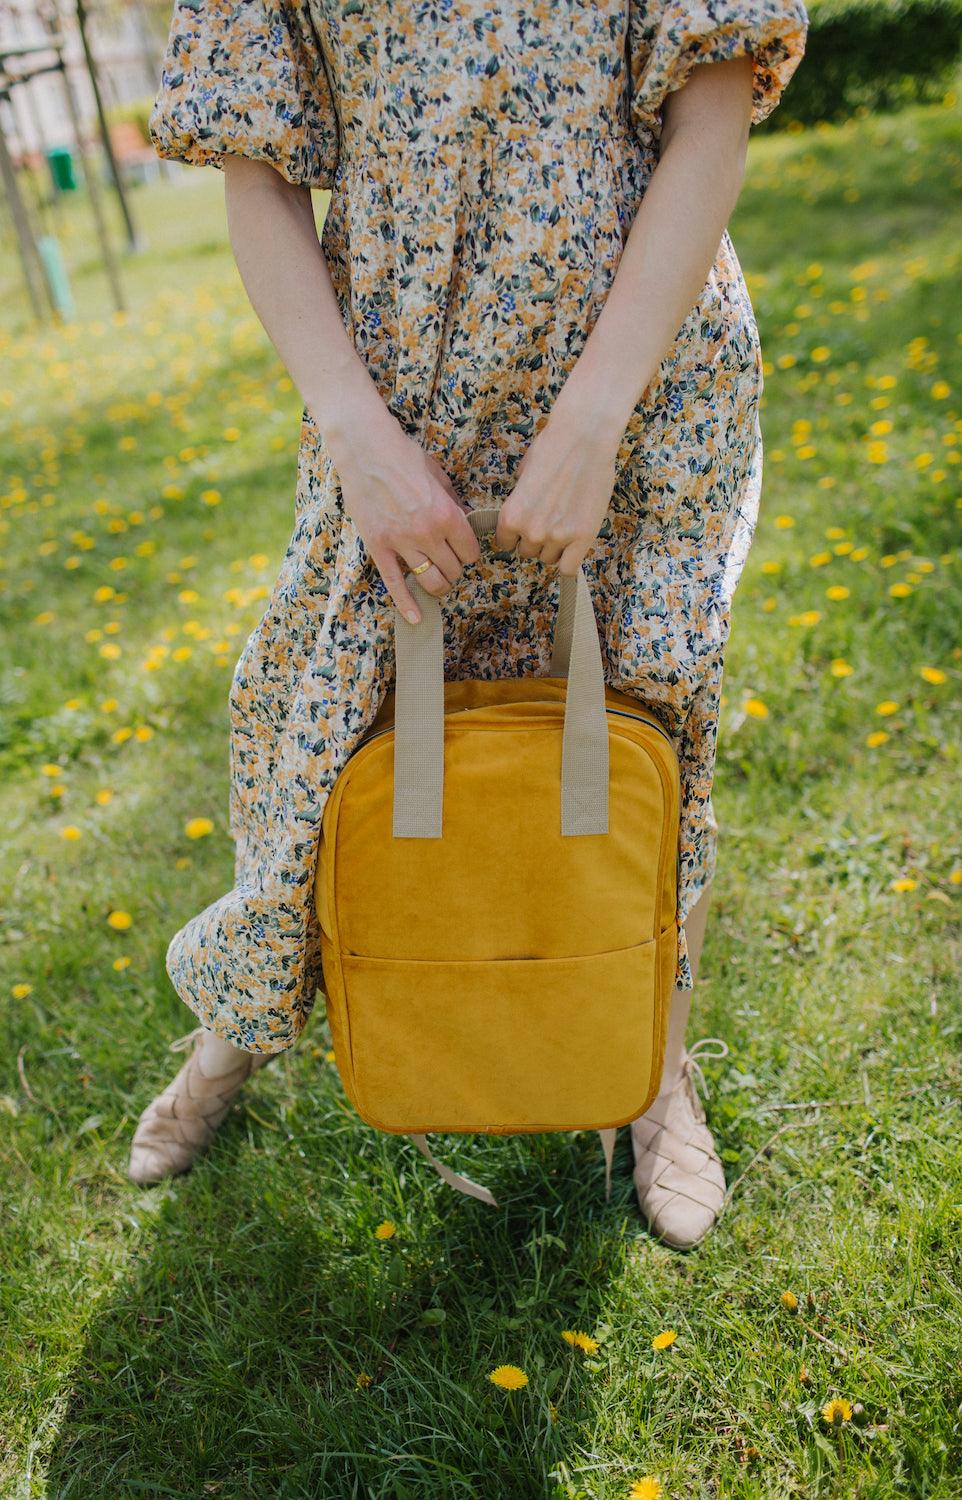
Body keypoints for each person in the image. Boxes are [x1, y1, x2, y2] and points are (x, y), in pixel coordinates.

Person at [128, 0, 809, 1250]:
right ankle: (233, 1038)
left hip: (644, 374)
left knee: (646, 729)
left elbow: (710, 105)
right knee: (324, 743)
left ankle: (649, 1074)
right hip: (392, 393)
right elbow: (252, 157)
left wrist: (598, 416)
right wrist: (353, 431)